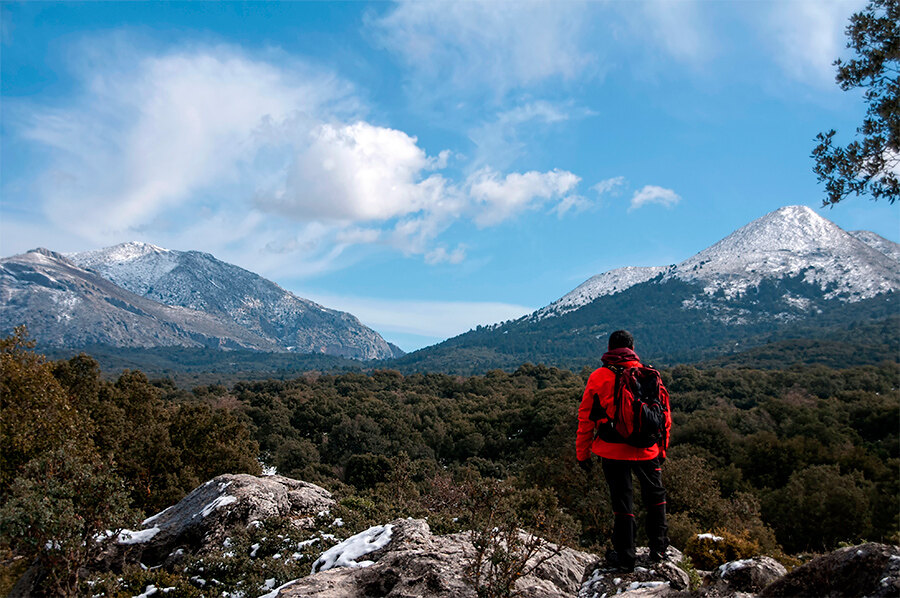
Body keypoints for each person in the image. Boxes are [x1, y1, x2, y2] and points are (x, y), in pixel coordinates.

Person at [575, 329, 670, 572]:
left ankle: (625, 556)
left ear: (609, 348)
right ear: (632, 347)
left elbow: (585, 418)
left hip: (612, 450)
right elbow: (664, 416)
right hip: (648, 450)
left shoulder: (599, 376)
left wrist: (582, 454)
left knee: (622, 502)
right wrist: (662, 449)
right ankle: (659, 549)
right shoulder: (648, 374)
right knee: (655, 497)